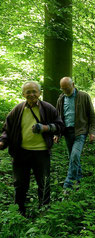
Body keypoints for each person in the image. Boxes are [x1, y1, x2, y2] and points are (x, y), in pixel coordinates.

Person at [0, 81, 64, 216]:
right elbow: (7, 129)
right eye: (28, 92)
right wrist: (2, 142)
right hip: (21, 153)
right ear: (23, 94)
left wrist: (45, 128)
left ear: (40, 93)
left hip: (41, 153)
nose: (31, 94)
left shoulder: (48, 108)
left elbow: (60, 126)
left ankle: (44, 212)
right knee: (19, 184)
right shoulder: (17, 110)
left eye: (34, 91)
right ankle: (19, 212)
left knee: (44, 183)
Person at [55, 77, 95, 190]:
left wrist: (93, 132)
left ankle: (68, 184)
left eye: (67, 88)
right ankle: (78, 179)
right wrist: (57, 134)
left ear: (73, 84)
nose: (65, 91)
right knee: (72, 158)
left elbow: (92, 116)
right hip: (67, 132)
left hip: (80, 131)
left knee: (74, 156)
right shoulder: (61, 99)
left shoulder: (83, 96)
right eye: (62, 89)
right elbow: (58, 118)